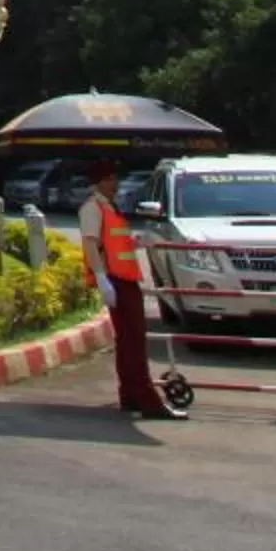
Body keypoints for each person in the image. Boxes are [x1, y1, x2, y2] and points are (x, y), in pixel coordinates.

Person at [83, 162, 185, 419]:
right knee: (134, 341)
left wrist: (137, 242)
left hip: (123, 279)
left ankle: (130, 395)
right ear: (100, 182)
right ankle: (149, 401)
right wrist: (101, 279)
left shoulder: (109, 208)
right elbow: (91, 245)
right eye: (111, 179)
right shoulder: (92, 209)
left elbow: (115, 243)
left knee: (129, 341)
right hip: (115, 281)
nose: (116, 185)